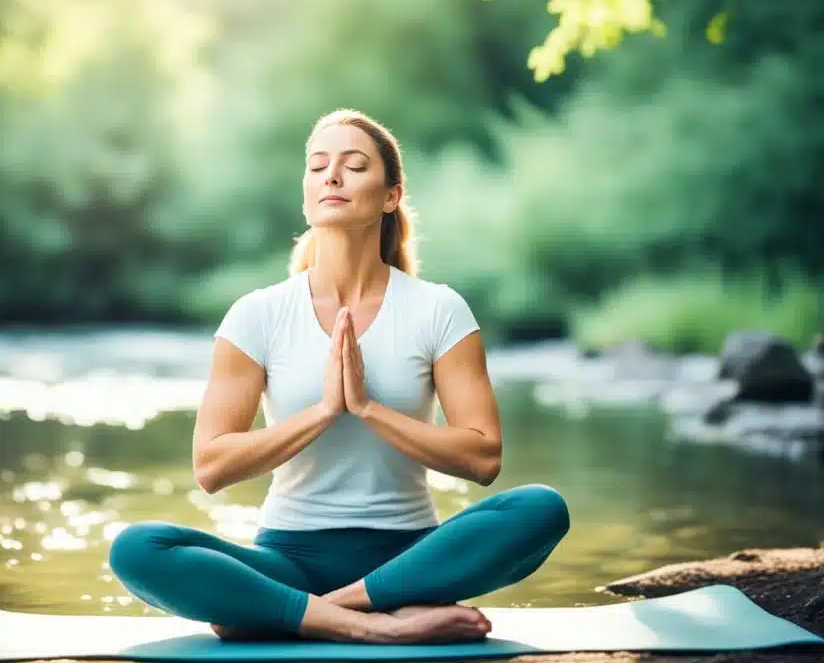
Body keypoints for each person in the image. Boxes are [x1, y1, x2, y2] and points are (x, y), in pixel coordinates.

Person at [109, 109, 570, 644]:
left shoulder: (437, 310)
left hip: (410, 559)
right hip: (288, 560)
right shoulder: (257, 315)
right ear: (306, 194)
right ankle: (375, 625)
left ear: (391, 196)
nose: (331, 176)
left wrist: (369, 409)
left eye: (353, 166)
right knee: (138, 548)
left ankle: (315, 613)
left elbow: (483, 457)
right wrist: (323, 412)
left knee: (539, 508)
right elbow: (211, 466)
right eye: (318, 166)